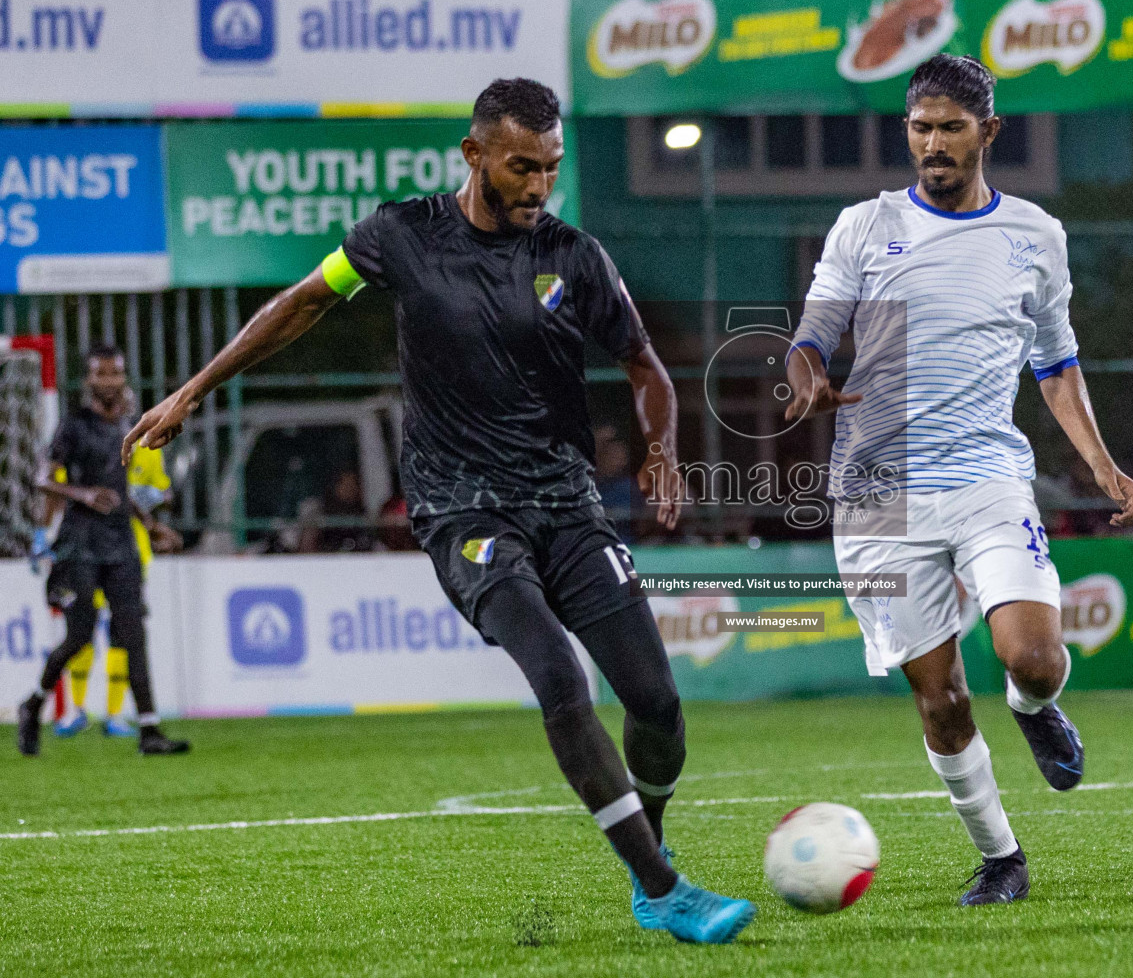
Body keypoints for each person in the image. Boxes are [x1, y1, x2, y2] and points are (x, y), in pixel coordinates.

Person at [121, 78, 755, 944]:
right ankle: (663, 885)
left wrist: (661, 452)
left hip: (565, 505)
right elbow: (303, 301)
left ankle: (648, 840)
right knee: (562, 684)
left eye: (552, 168)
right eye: (521, 167)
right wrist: (194, 388)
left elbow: (644, 361)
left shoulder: (574, 256)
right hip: (464, 512)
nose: (539, 187)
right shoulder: (401, 236)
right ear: (474, 155)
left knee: (658, 708)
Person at [784, 55, 1133, 906]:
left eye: (950, 126)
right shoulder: (864, 227)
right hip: (878, 491)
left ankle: (1033, 707)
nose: (933, 143)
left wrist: (1098, 460)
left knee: (1038, 658)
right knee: (940, 698)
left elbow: (1055, 362)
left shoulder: (1034, 235)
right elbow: (815, 330)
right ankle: (1000, 856)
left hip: (986, 474)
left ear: (990, 131)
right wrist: (804, 373)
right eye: (919, 127)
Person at [16, 345, 189, 756]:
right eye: (101, 374)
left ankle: (149, 731)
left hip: (121, 541)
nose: (108, 381)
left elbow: (119, 491)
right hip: (80, 542)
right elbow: (41, 477)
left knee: (133, 632)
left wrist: (152, 526)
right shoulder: (73, 425)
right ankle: (34, 704)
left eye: (115, 374)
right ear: (88, 380)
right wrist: (82, 493)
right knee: (79, 634)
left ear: (124, 378)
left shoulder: (128, 424)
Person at [47, 437, 182, 738]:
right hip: (85, 552)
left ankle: (115, 714)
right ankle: (77, 709)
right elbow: (56, 487)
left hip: (131, 554)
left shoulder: (148, 450)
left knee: (124, 634)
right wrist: (46, 534)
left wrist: (150, 497)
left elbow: (165, 493)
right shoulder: (82, 445)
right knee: (81, 630)